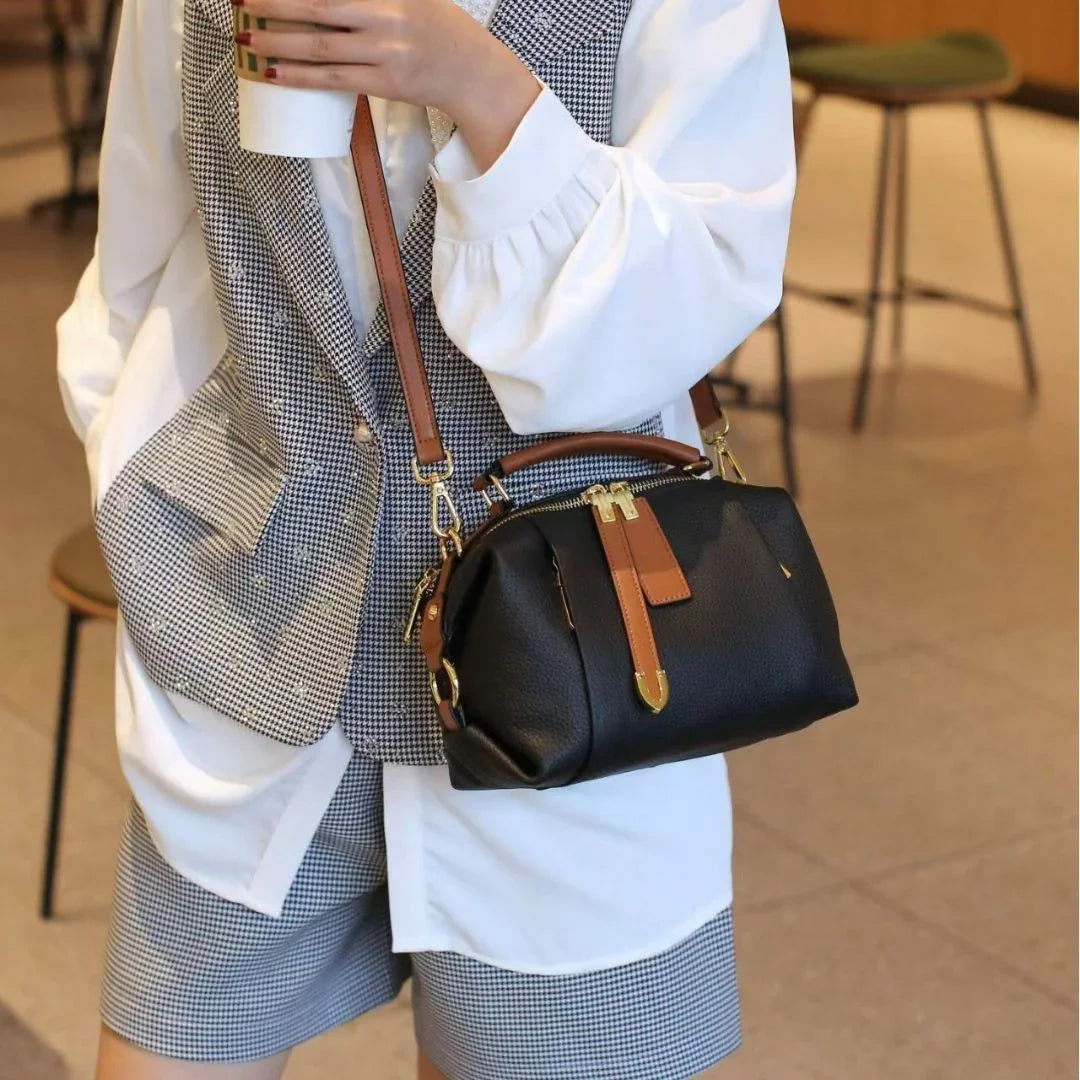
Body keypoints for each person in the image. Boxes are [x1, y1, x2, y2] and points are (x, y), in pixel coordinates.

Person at [57, 0, 795, 1076]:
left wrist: (485, 91)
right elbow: (137, 261)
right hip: (248, 660)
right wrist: (142, 489)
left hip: (574, 679)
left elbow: (704, 285)